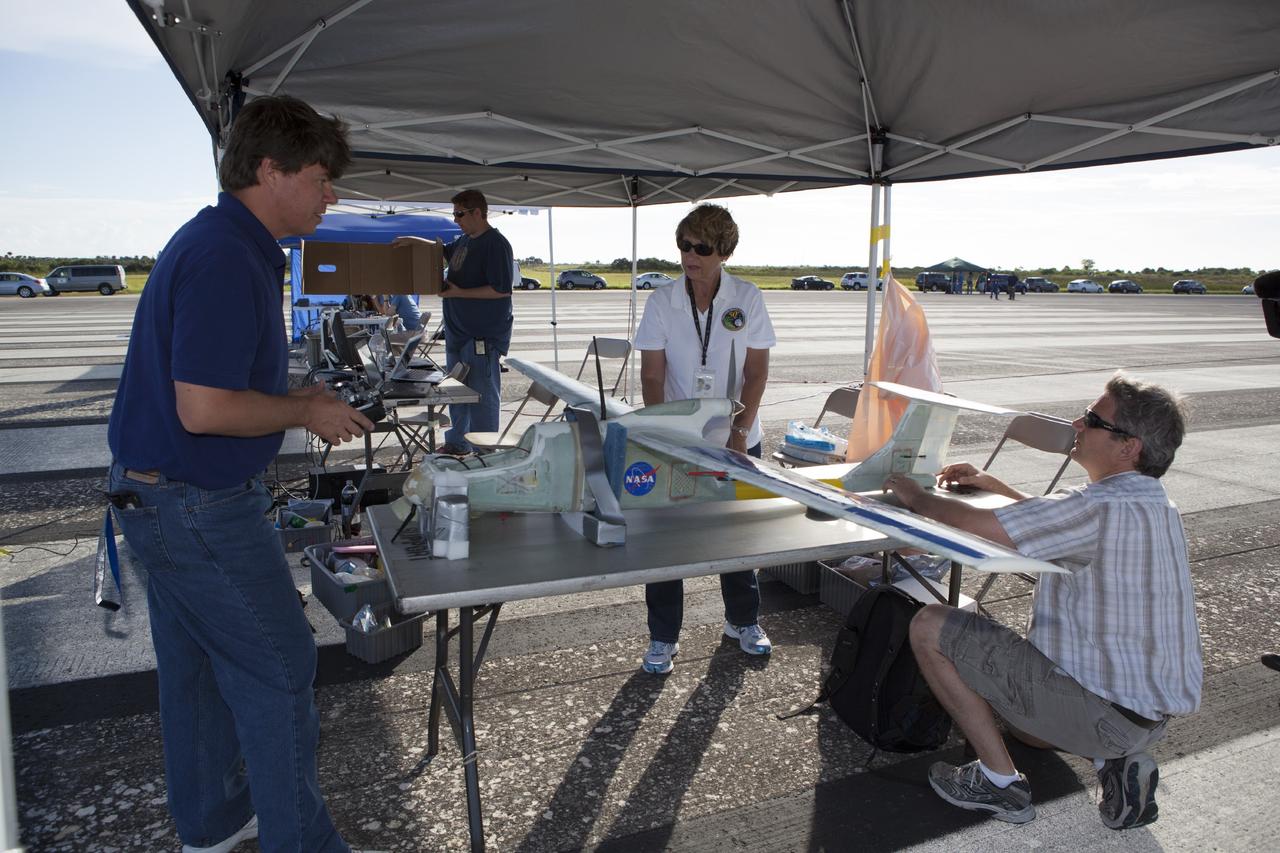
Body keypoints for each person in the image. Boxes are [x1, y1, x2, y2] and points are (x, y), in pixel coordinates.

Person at [106, 95, 372, 853]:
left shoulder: (224, 241)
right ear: (270, 169)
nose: (331, 195)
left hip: (158, 497)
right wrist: (304, 408)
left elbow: (206, 388)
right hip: (195, 504)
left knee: (195, 669)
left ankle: (212, 825)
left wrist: (294, 394)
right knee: (282, 664)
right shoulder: (226, 255)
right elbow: (205, 408)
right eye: (320, 177)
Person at [883, 373, 1201, 830]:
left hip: (1100, 714)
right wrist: (995, 486)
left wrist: (915, 496)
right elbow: (1058, 528)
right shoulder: (1154, 505)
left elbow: (981, 527)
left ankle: (999, 783)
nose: (1077, 423)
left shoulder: (1098, 507)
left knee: (930, 624)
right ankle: (1114, 760)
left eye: (1093, 420)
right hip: (1145, 716)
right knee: (1026, 724)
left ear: (1128, 447)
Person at [633, 203, 777, 675]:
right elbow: (652, 376)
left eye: (701, 248)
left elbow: (756, 373)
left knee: (737, 537)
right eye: (683, 245)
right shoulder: (662, 301)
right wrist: (665, 433)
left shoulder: (747, 297)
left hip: (737, 435)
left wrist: (739, 432)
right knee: (666, 541)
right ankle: (663, 635)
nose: (689, 256)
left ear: (725, 252)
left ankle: (743, 621)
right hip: (678, 436)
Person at [436, 189, 514, 454]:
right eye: (454, 214)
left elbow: (501, 290)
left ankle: (485, 454)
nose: (455, 220)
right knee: (457, 394)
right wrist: (413, 242)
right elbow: (440, 252)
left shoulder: (495, 244)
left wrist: (458, 293)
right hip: (457, 334)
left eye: (459, 214)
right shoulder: (464, 241)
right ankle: (457, 443)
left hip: (481, 336)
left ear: (477, 212)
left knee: (482, 398)